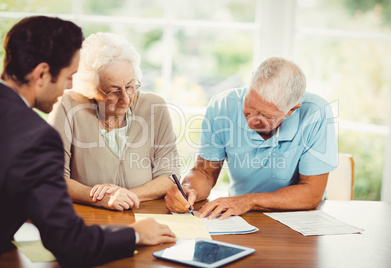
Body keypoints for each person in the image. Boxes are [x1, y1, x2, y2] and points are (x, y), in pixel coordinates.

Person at [0, 16, 175, 267]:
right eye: (68, 76)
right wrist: (137, 233)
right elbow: (70, 244)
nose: (71, 85)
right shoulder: (35, 138)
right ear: (41, 74)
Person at [165, 57, 337, 220]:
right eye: (250, 106)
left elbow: (312, 192)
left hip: (298, 217)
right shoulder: (222, 106)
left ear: (291, 110)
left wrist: (247, 201)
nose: (252, 119)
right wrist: (188, 190)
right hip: (240, 216)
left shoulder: (316, 112)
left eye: (266, 115)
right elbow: (204, 172)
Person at [47, 32, 180, 211]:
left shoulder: (154, 106)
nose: (125, 99)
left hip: (144, 214)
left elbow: (169, 175)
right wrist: (97, 197)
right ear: (90, 89)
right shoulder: (67, 106)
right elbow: (53, 178)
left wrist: (127, 196)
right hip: (85, 217)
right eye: (114, 91)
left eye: (130, 86)